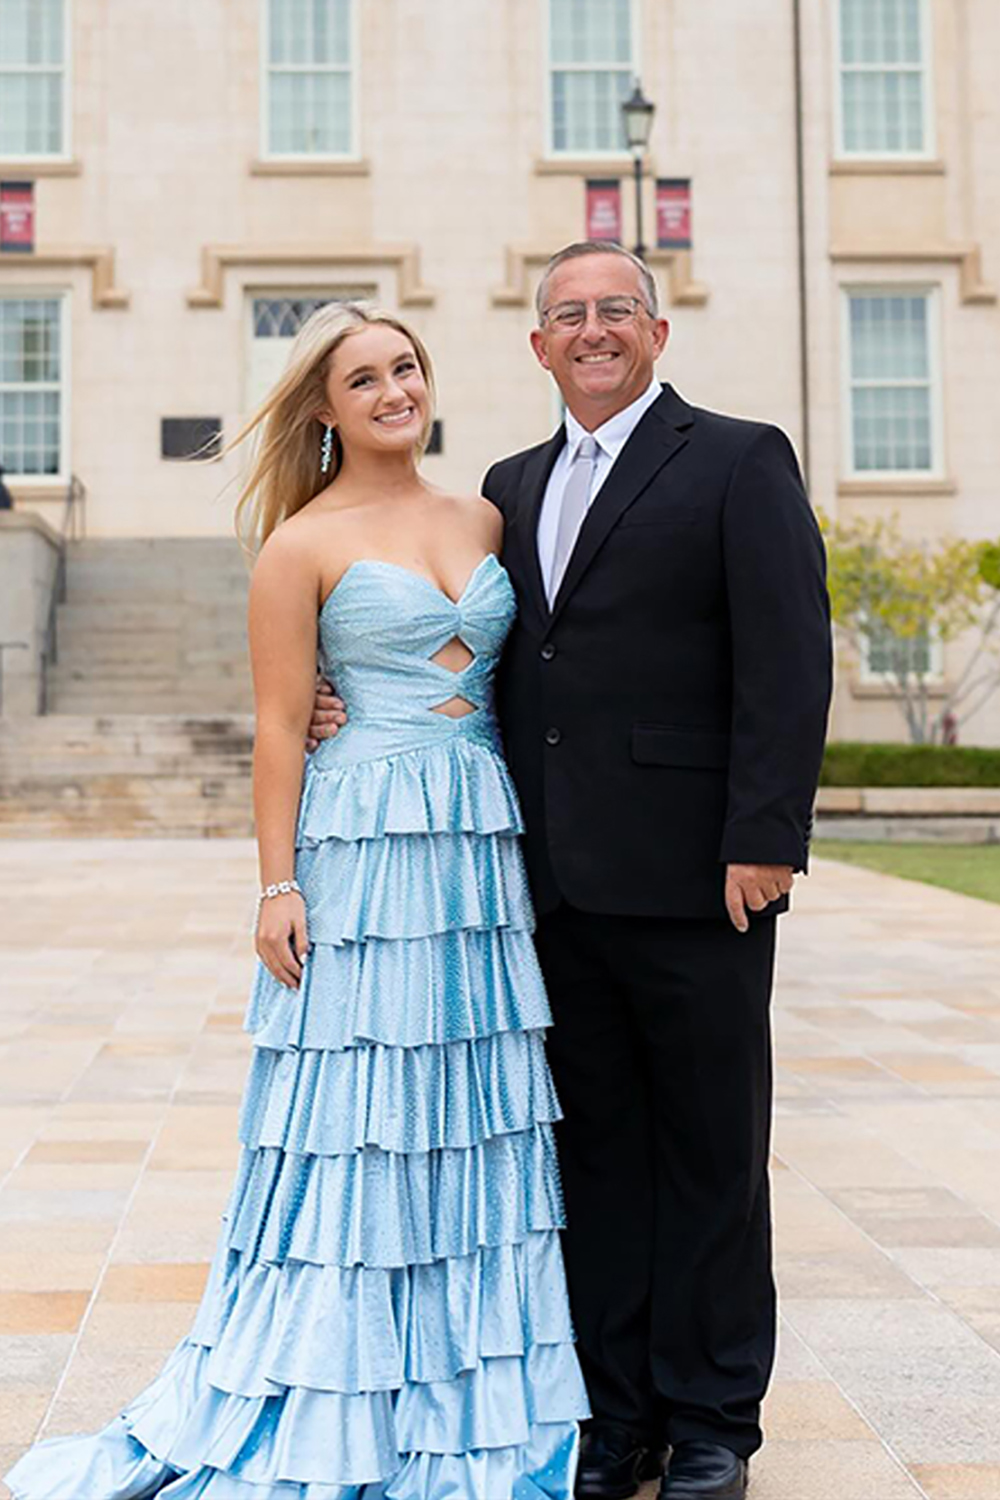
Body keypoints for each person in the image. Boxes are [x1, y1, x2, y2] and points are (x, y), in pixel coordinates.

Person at [6, 302, 588, 1499]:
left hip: (476, 845)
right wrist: (275, 882)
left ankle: (470, 1378)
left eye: (405, 367)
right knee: (355, 1108)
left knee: (465, 1105)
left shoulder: (485, 514)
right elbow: (280, 726)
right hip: (360, 848)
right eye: (363, 378)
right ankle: (332, 1383)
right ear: (323, 408)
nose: (393, 390)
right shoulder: (298, 545)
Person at [310, 242, 832, 1500]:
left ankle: (712, 1424)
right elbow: (480, 658)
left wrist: (763, 833)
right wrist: (350, 702)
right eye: (566, 315)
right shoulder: (508, 483)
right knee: (590, 1157)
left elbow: (787, 650)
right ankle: (616, 1419)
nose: (591, 329)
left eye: (614, 310)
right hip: (545, 886)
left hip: (699, 878)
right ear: (535, 346)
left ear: (656, 333)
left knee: (709, 1154)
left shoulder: (736, 457)